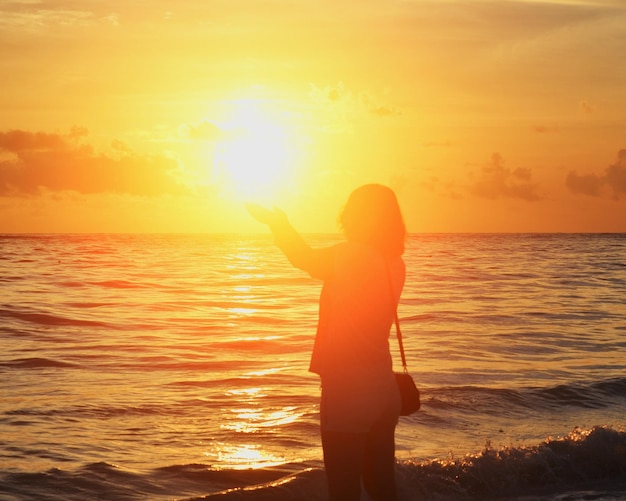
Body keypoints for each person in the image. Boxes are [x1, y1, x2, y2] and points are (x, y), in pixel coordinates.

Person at [247, 184, 406, 501]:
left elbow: (304, 258)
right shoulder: (395, 264)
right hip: (384, 389)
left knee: (343, 493)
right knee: (382, 489)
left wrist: (279, 224)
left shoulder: (350, 255)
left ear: (355, 216)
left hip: (348, 390)